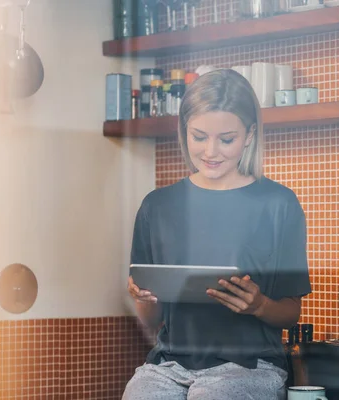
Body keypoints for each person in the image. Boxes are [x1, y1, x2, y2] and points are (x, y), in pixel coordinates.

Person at [122, 69, 312, 400]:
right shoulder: (157, 207)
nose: (211, 152)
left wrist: (259, 305)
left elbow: (291, 311)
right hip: (168, 365)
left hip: (248, 367)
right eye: (199, 137)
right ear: (184, 131)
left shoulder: (278, 204)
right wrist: (143, 299)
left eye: (226, 139)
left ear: (249, 135)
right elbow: (153, 320)